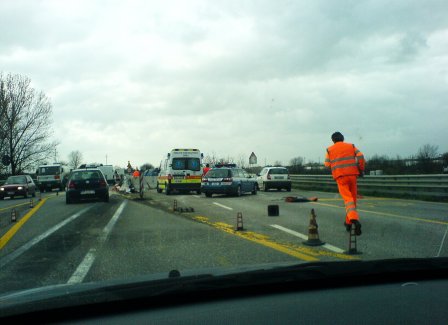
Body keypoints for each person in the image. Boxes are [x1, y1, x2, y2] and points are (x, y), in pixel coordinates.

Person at [324, 132, 365, 235]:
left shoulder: (329, 150)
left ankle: (354, 220)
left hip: (341, 177)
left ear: (333, 140)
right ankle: (348, 223)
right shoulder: (351, 146)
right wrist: (361, 169)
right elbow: (360, 156)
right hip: (353, 175)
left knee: (348, 199)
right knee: (353, 200)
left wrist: (335, 167)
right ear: (343, 138)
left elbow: (327, 164)